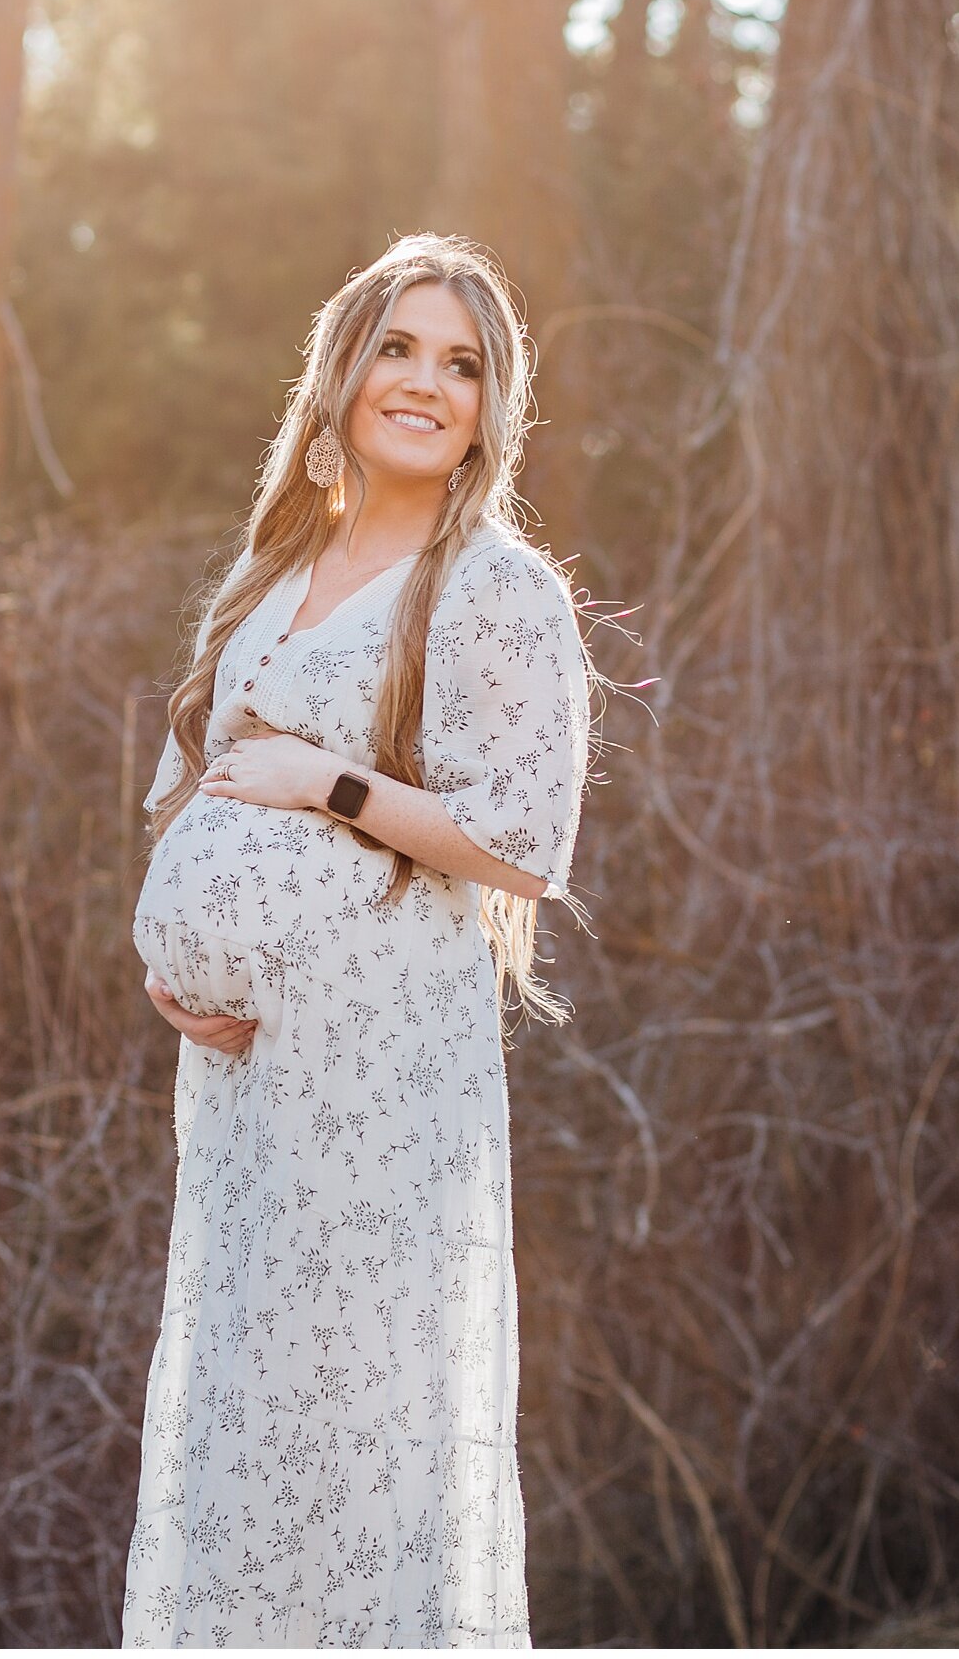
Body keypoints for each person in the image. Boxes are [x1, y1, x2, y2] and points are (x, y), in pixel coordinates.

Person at [122, 233, 597, 1650]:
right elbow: (197, 796)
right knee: (249, 1403)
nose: (425, 383)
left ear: (489, 410)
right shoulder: (276, 573)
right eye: (399, 348)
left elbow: (523, 842)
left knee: (365, 1411)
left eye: (461, 365)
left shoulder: (501, 588)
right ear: (340, 372)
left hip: (385, 1071)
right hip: (252, 1080)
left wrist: (332, 783)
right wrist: (180, 973)